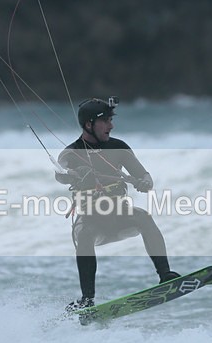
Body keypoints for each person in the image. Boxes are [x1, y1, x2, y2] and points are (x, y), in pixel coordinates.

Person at [55, 96, 180, 311]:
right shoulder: (71, 152)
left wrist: (144, 182)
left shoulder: (119, 148)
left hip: (119, 217)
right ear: (88, 124)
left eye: (111, 120)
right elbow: (61, 172)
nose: (111, 126)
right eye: (106, 121)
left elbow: (144, 175)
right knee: (84, 234)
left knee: (143, 216)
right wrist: (76, 174)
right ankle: (87, 300)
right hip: (90, 222)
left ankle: (165, 275)